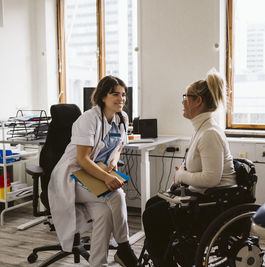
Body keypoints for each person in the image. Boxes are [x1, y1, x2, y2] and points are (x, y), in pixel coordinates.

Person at [142, 70, 236, 267]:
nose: (183, 102)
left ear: (198, 101)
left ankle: (164, 262)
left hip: (214, 202)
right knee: (152, 205)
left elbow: (211, 178)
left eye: (186, 97)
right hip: (203, 196)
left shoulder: (209, 133)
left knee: (152, 215)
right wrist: (180, 177)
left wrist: (181, 175)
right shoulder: (202, 129)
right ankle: (164, 258)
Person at [48, 75, 138, 267]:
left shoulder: (122, 117)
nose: (121, 99)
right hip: (73, 176)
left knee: (104, 214)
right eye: (115, 94)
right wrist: (107, 177)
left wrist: (114, 159)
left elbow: (121, 144)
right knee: (117, 195)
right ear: (103, 96)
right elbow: (83, 159)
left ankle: (98, 264)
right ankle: (124, 247)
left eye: (123, 95)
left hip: (95, 174)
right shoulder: (89, 119)